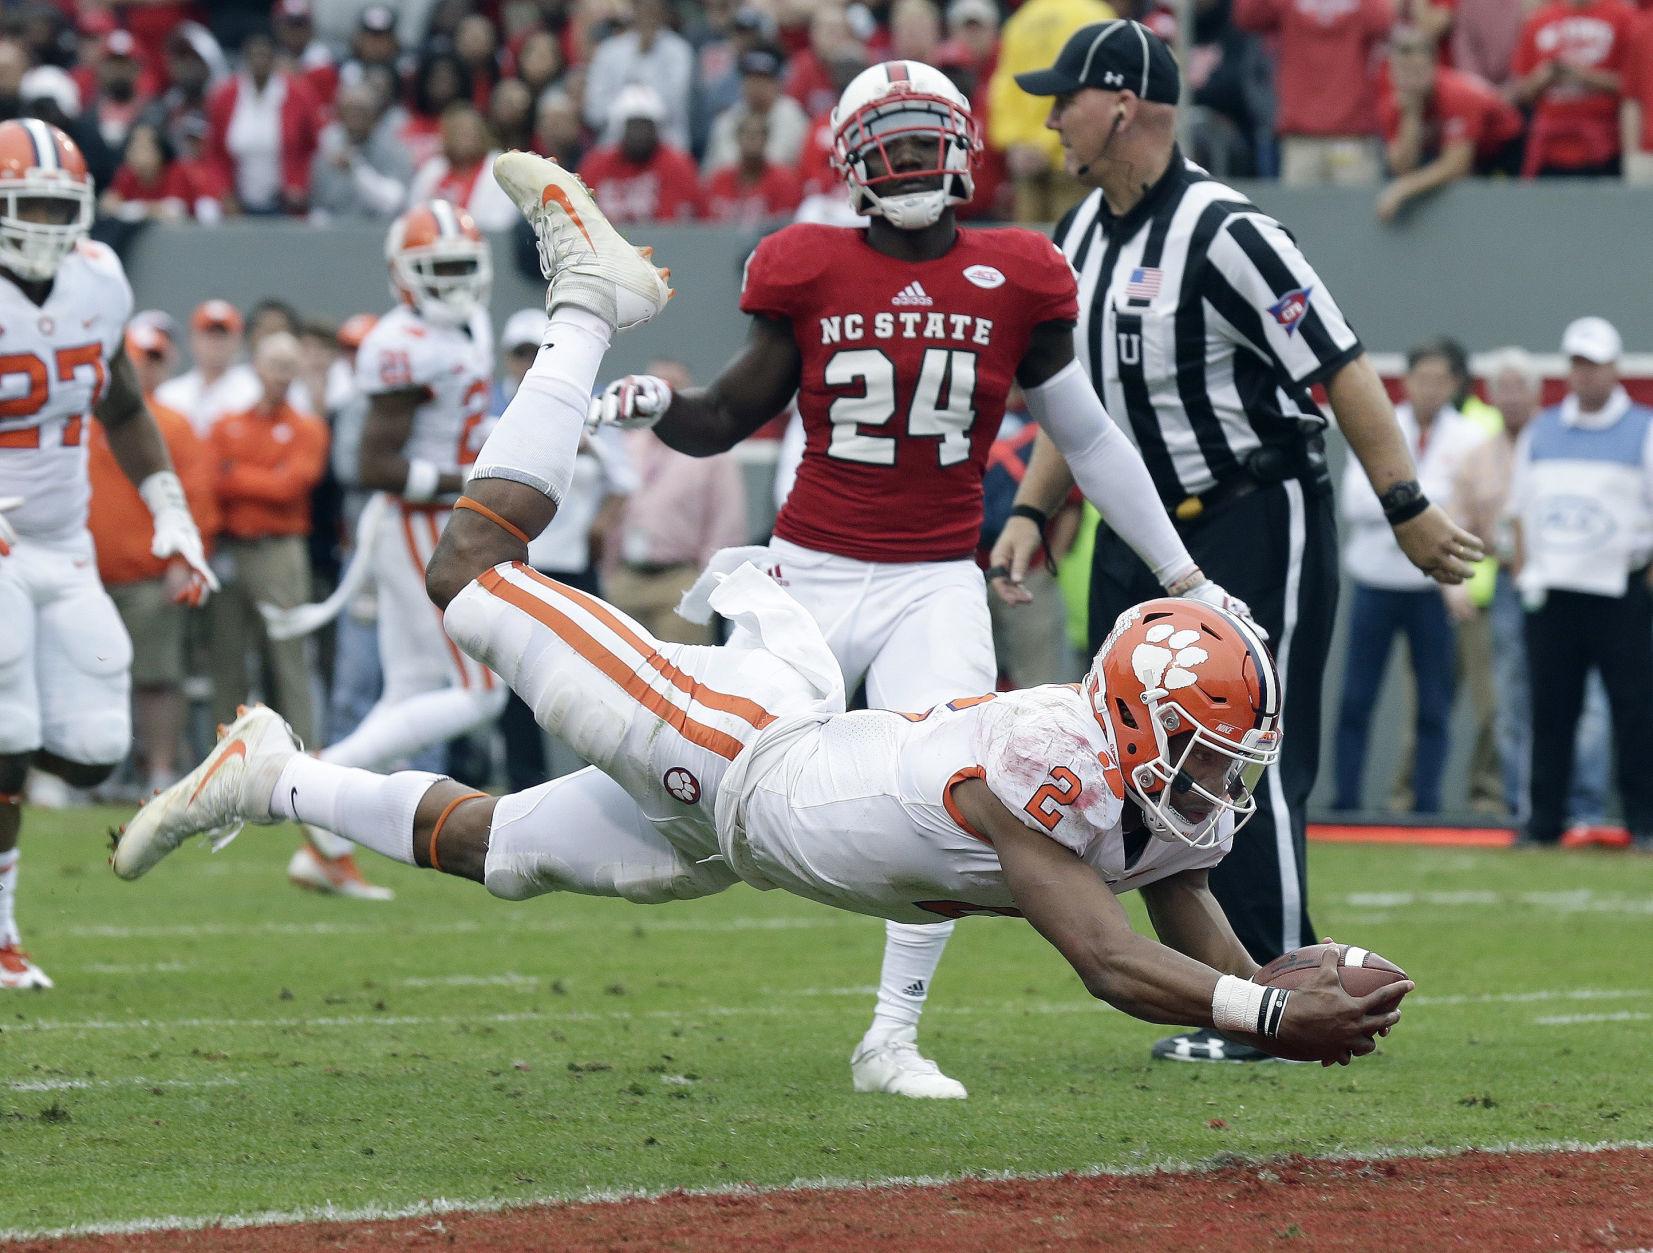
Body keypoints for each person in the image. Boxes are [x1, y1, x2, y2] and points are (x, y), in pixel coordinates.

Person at [112, 152, 1412, 1074]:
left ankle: (270, 777)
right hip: (737, 746)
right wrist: (1264, 1012)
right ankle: (585, 308)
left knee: (499, 850)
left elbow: (1191, 917)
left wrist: (1277, 988)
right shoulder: (1042, 767)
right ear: (1131, 723)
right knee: (468, 574)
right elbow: (1112, 962)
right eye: (1202, 749)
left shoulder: (1134, 785)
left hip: (742, 826)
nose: (1216, 778)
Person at [586, 61, 1256, 1097]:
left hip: (934, 580)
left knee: (950, 806)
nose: (908, 158)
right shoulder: (805, 262)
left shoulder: (1019, 270)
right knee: (694, 780)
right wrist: (656, 406)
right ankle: (530, 831)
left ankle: (891, 1036)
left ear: (961, 147)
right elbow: (725, 415)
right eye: (887, 139)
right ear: (853, 160)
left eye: (923, 136)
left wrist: (1186, 575)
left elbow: (1090, 440)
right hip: (806, 567)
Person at [1002, 21, 1482, 1061]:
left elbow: (1342, 364)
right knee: (1131, 763)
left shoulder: (1229, 230)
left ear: (1121, 103)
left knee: (1250, 760)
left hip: (1255, 510)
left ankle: (1280, 994)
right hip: (1141, 529)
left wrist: (1407, 503)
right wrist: (1036, 512)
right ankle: (1219, 996)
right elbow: (1077, 406)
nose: (1049, 117)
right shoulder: (1080, 233)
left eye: (1065, 98)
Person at [0, 118, 217, 990]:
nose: (49, 222)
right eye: (31, 204)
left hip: (63, 543)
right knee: (9, 726)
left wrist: (169, 507)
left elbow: (122, 405)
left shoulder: (98, 280)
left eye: (63, 205)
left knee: (91, 748)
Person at [271, 203, 508, 898]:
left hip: (439, 516)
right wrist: (469, 475)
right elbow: (371, 464)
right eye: (440, 271)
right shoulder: (404, 343)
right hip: (416, 519)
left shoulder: (465, 325)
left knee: (408, 688)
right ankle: (310, 779)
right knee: (481, 693)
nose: (456, 284)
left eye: (465, 267)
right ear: (404, 277)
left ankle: (325, 841)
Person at [1509, 317, 1653, 851]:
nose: (1584, 374)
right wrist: (1527, 572)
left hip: (1621, 593)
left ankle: (1644, 821)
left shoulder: (1643, 429)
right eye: (1576, 364)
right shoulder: (1542, 430)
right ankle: (1544, 823)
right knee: (1550, 710)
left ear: (1614, 369)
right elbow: (1520, 510)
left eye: (1594, 364)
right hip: (1554, 597)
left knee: (1635, 709)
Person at [1453, 348, 1610, 828]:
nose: (1514, 398)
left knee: (1588, 702)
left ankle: (1584, 807)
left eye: (1523, 388)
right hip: (1508, 585)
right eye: (1505, 389)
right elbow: (1456, 522)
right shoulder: (1477, 457)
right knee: (1510, 702)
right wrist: (1454, 583)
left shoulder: (1563, 441)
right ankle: (1529, 807)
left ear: (1540, 394)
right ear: (1492, 396)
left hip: (1570, 582)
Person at [1332, 340, 1486, 815]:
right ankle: (1347, 804)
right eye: (1422, 378)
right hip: (1374, 582)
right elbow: (1355, 502)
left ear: (1456, 385)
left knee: (1434, 704)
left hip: (1430, 588)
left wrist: (1400, 499)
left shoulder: (1468, 438)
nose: (1429, 389)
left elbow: (1469, 511)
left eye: (1441, 380)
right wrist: (1427, 507)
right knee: (1357, 697)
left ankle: (1427, 806)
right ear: (1406, 381)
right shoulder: (1380, 424)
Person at [87, 323, 220, 797]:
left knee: (157, 676)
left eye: (156, 357)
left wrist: (184, 557)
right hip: (84, 574)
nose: (145, 365)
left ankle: (160, 772)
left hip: (147, 573)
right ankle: (84, 775)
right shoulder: (82, 417)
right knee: (84, 674)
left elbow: (199, 498)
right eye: (138, 356)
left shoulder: (175, 423)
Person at [204, 332, 328, 744]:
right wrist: (261, 480)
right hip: (233, 548)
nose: (281, 375)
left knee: (288, 657)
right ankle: (223, 757)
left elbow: (291, 486)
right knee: (227, 657)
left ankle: (303, 754)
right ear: (256, 366)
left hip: (280, 550)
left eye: (288, 366)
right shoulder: (229, 423)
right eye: (274, 364)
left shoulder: (306, 427)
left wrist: (235, 475)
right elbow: (212, 480)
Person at [1233, 0, 1394, 186]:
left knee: (1355, 212)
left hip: (1354, 136)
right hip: (1301, 138)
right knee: (1298, 214)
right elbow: (1247, 16)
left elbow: (1385, 21)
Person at [986, 0, 1118, 224]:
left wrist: (1015, 143)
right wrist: (1048, 144)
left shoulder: (1020, 21)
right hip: (1076, 156)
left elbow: (1002, 90)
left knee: (1028, 250)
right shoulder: (1096, 15)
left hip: (1025, 158)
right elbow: (1100, 91)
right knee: (1075, 246)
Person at [1376, 26, 1525, 221]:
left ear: (1433, 67)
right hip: (1451, 149)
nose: (1409, 80)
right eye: (1403, 71)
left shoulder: (1457, 95)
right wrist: (1411, 114)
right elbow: (1403, 167)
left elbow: (1457, 166)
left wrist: (1403, 188)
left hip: (1505, 149)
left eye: (1417, 70)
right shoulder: (1392, 104)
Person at [1512, 0, 1637, 178]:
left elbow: (1637, 86)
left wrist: (1583, 76)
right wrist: (1542, 78)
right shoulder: (1539, 21)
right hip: (1547, 148)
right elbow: (1520, 94)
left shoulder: (1624, 16)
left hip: (1605, 146)